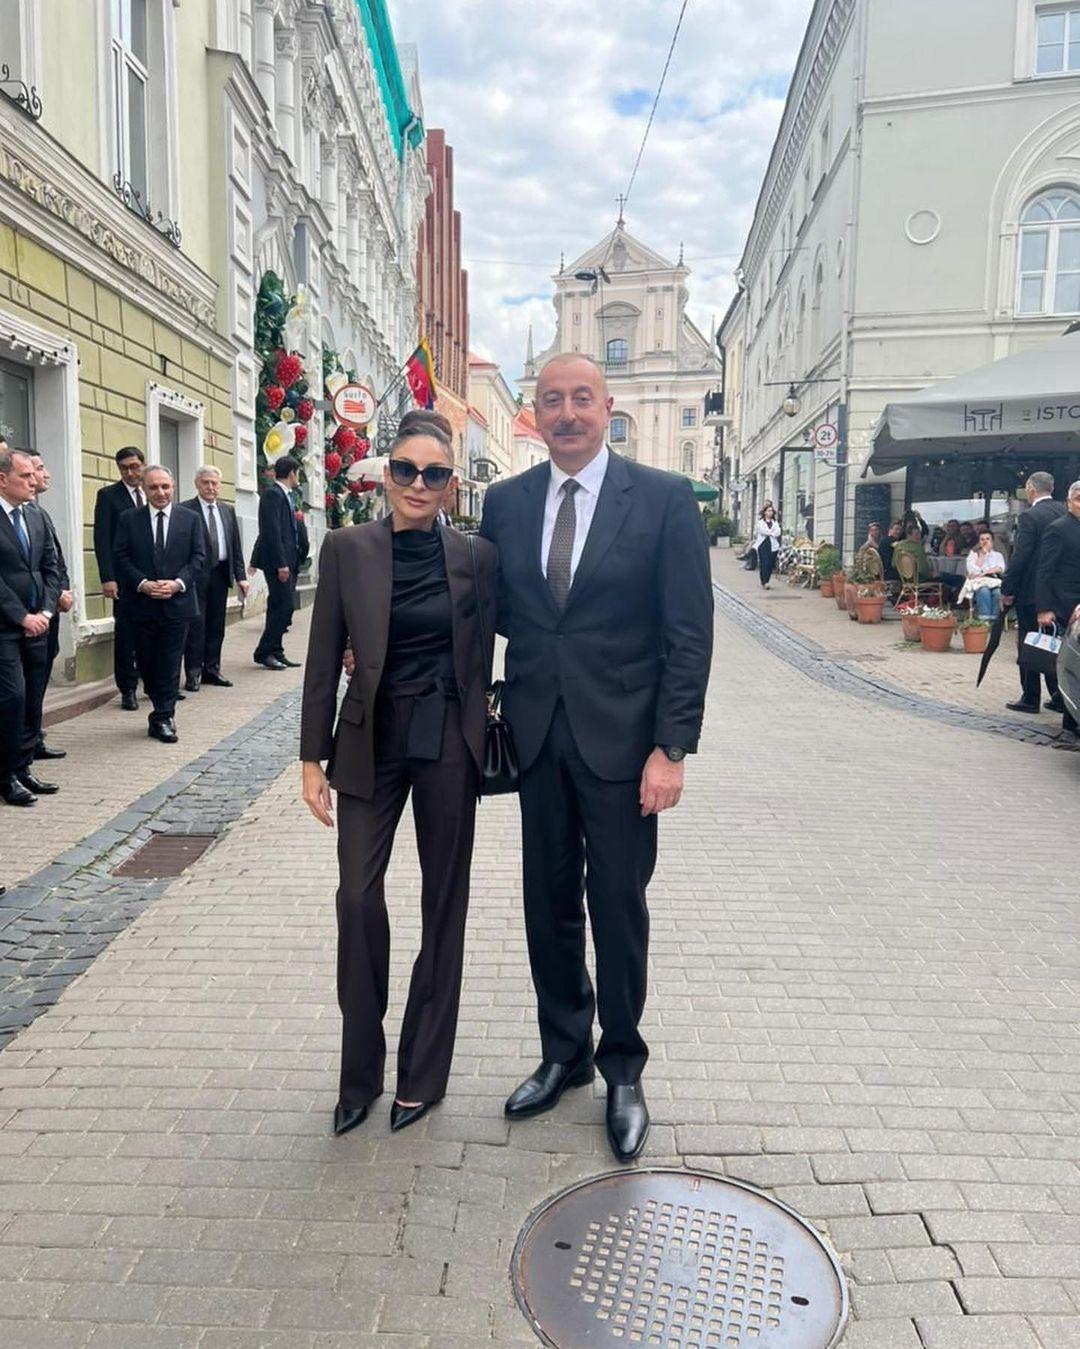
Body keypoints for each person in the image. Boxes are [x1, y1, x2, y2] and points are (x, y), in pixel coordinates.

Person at [479, 353, 713, 1163]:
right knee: (546, 903)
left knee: (616, 905)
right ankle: (564, 1051)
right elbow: (481, 611)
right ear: (537, 413)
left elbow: (689, 633)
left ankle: (623, 1067)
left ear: (607, 407)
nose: (568, 412)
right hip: (537, 738)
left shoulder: (663, 499)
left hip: (624, 746)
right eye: (552, 400)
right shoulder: (506, 503)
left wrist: (671, 748)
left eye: (582, 398)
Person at [300, 422, 496, 1138]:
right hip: (369, 740)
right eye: (406, 470)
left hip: (447, 739)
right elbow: (324, 654)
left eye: (434, 473)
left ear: (451, 485)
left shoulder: (477, 557)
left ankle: (423, 1075)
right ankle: (360, 1073)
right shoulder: (347, 548)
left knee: (444, 904)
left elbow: (505, 641)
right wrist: (310, 757)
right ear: (386, 475)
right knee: (357, 897)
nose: (419, 484)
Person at [113, 466, 205, 744]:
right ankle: (158, 703)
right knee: (147, 663)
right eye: (153, 487)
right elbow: (121, 557)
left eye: (165, 486)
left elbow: (199, 557)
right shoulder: (129, 519)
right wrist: (142, 583)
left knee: (169, 662)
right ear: (143, 488)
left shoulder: (190, 519)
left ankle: (164, 716)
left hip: (178, 604)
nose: (160, 492)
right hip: (142, 605)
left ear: (173, 486)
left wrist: (178, 583)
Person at [0, 447, 61, 806]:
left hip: (39, 624)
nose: (34, 481)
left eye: (33, 475)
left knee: (33, 699)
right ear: (2, 479)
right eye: (25, 476)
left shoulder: (36, 515)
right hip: (6, 628)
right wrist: (22, 616)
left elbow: (51, 566)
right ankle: (6, 775)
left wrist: (47, 612)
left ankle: (23, 768)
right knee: (12, 697)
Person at [1001, 472, 1067, 714]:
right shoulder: (1064, 512)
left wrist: (1007, 588)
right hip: (1060, 593)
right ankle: (1059, 695)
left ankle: (1030, 697)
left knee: (1028, 642)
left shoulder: (1030, 516)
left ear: (1030, 488)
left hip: (1032, 591)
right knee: (1054, 643)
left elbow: (1021, 556)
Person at [181, 466, 249, 691]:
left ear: (219, 486)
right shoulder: (185, 510)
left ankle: (212, 669)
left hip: (220, 574)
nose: (210, 487)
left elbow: (235, 546)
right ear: (197, 485)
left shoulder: (227, 510)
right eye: (206, 483)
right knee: (196, 626)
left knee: (216, 626)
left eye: (214, 483)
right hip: (195, 577)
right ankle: (193, 673)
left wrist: (241, 576)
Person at [27, 451, 73, 760]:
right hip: (29, 613)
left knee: (39, 677)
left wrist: (62, 591)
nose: (45, 474)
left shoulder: (38, 512)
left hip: (49, 609)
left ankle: (33, 737)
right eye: (39, 468)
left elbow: (54, 561)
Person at [93, 447, 146, 711]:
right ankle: (127, 689)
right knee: (126, 636)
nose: (130, 472)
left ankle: (153, 683)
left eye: (134, 466)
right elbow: (102, 539)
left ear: (143, 465)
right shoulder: (109, 496)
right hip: (123, 580)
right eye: (124, 468)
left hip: (153, 579)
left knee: (152, 634)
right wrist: (108, 578)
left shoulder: (153, 492)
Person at [1036, 479, 1080, 749]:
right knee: (1069, 664)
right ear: (1069, 502)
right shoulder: (1058, 528)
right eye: (1079, 499)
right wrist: (1044, 608)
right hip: (1065, 605)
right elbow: (1045, 570)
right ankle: (1068, 726)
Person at [252, 456, 302, 671]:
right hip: (278, 563)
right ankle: (263, 652)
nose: (298, 478)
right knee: (284, 606)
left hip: (289, 560)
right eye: (298, 473)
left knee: (279, 606)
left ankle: (276, 650)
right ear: (292, 473)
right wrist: (281, 563)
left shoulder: (285, 495)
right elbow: (271, 531)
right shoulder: (273, 494)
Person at [965, 528, 1006, 619]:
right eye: (982, 539)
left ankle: (995, 619)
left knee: (997, 593)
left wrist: (985, 572)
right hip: (979, 582)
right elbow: (974, 570)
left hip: (994, 581)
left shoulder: (998, 555)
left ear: (992, 541)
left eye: (988, 539)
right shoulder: (973, 555)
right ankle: (985, 619)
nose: (985, 542)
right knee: (984, 591)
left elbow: (1000, 568)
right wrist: (982, 554)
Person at [752, 504, 782, 589]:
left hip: (773, 545)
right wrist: (772, 533)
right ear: (765, 512)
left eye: (771, 511)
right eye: (768, 511)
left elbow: (778, 532)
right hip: (763, 544)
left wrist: (771, 533)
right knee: (764, 563)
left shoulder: (775, 522)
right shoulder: (760, 522)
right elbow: (762, 531)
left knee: (770, 564)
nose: (770, 512)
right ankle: (764, 581)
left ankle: (767, 580)